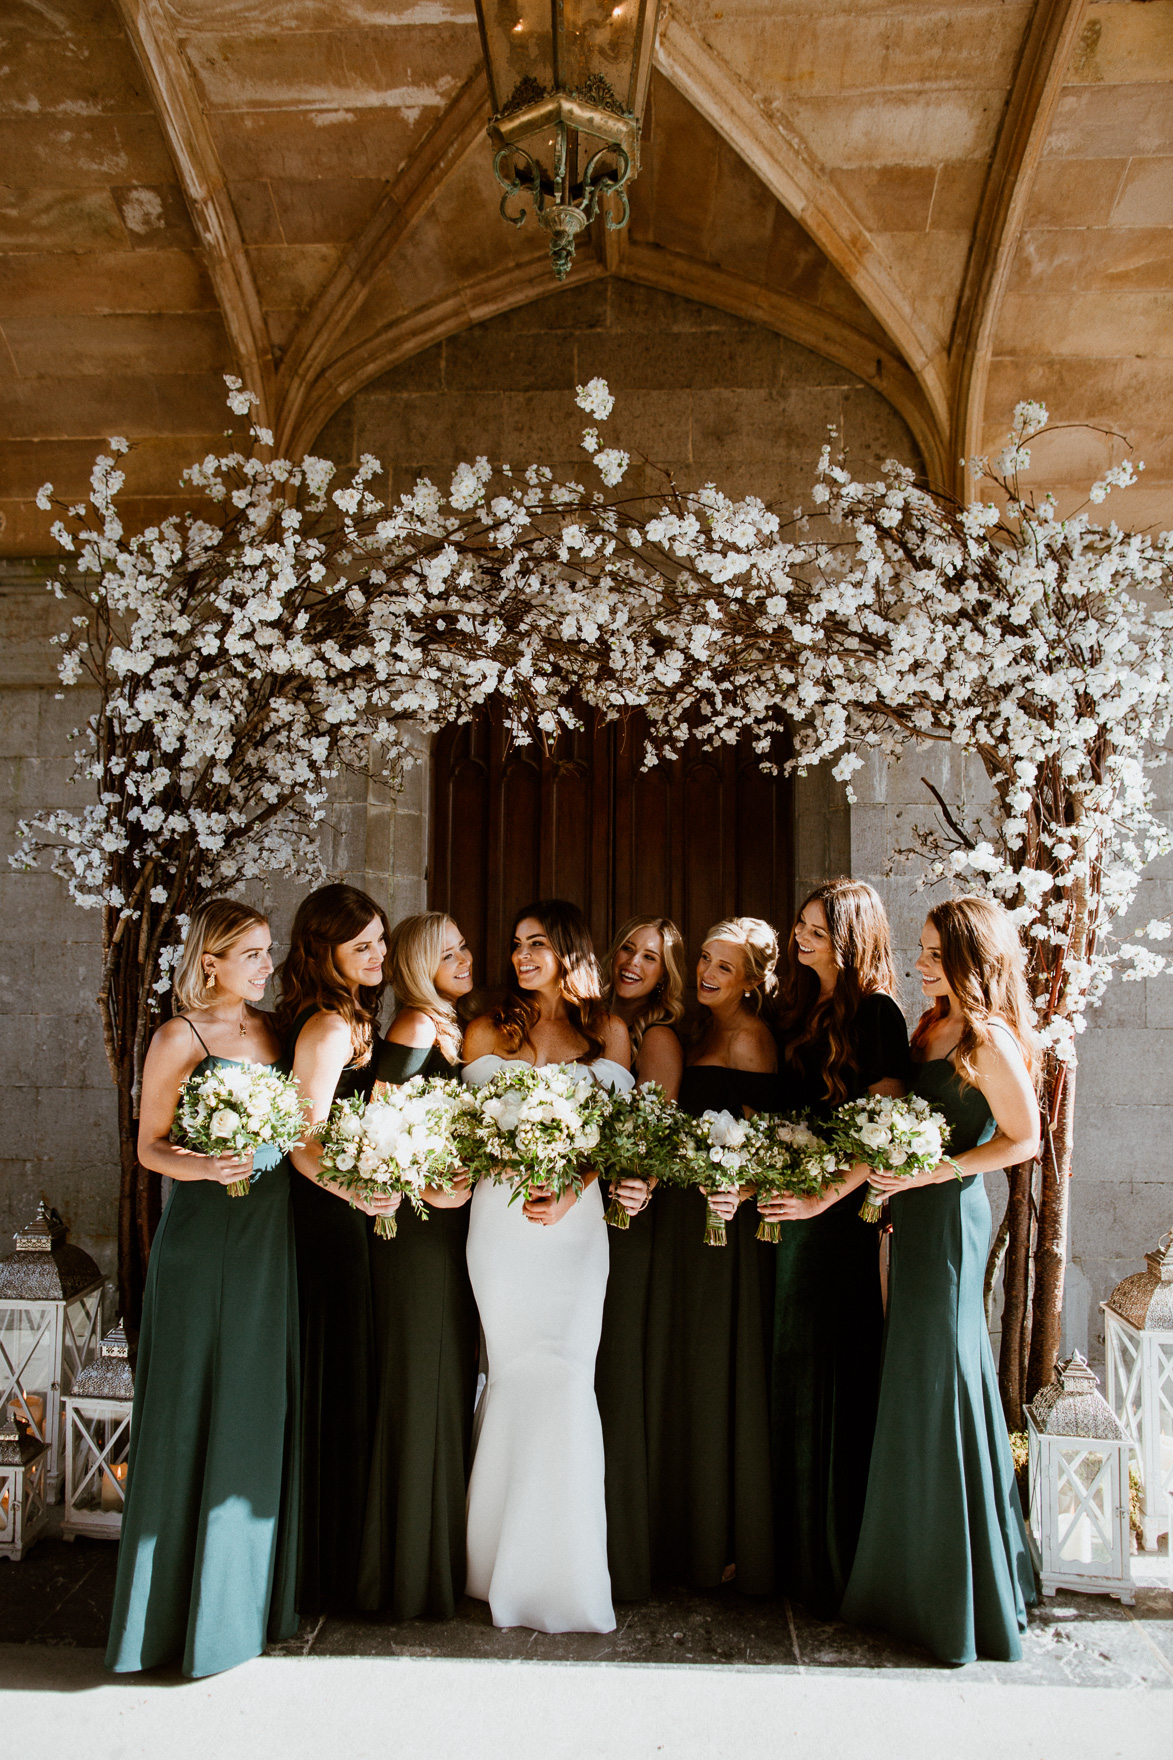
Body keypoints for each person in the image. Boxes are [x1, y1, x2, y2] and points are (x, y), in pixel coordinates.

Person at [841, 895, 1040, 1666]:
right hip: (910, 1215)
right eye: (920, 952)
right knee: (913, 1380)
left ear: (968, 958)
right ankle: (909, 1573)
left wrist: (932, 1174)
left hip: (950, 1219)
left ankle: (957, 1590)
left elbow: (1023, 1140)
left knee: (942, 1378)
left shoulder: (987, 1037)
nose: (919, 965)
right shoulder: (927, 1026)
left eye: (932, 954)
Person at [107, 899, 298, 1678]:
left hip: (267, 1240)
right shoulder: (177, 1038)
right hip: (201, 1238)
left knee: (253, 1405)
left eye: (267, 953)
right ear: (209, 960)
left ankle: (242, 1604)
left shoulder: (276, 1033)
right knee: (190, 1406)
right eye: (250, 954)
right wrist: (204, 1165)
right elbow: (151, 1147)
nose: (265, 966)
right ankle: (167, 1619)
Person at [460, 899, 632, 1633]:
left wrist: (575, 1188)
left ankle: (564, 1572)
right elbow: (460, 1129)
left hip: (576, 1227)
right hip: (500, 1224)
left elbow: (624, 1135)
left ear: (569, 951)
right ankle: (489, 1562)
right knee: (512, 1373)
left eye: (536, 944)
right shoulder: (488, 1026)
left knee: (566, 1376)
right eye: (515, 945)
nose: (521, 957)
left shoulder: (609, 1031)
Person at [759, 880, 911, 1618]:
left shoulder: (876, 1015)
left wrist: (826, 1195)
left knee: (831, 1373)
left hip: (836, 1221)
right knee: (787, 1372)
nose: (799, 936)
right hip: (786, 1212)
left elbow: (885, 1124)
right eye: (799, 925)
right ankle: (791, 1555)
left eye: (815, 928)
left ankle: (835, 1558)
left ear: (850, 937)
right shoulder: (794, 1008)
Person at [644, 916, 779, 1596]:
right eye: (703, 958)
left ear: (752, 981)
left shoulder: (751, 1040)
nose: (706, 972)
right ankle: (674, 1529)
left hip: (722, 1228)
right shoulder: (691, 1033)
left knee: (714, 1369)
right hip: (676, 1221)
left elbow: (766, 1145)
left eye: (724, 967)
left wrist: (738, 1189)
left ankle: (719, 1539)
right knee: (678, 1364)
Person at [276, 884, 398, 1617]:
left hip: (345, 1210)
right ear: (325, 953)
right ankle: (325, 1567)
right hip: (324, 1221)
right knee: (337, 1370)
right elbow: (300, 1140)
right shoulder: (326, 1026)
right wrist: (358, 1195)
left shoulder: (350, 1013)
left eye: (381, 941)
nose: (378, 955)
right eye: (362, 947)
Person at [357, 912, 479, 1621]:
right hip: (415, 1230)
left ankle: (429, 1558)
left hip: (448, 1229)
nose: (464, 957)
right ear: (414, 963)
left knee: (443, 1379)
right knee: (422, 1383)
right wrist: (425, 1185)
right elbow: (377, 1124)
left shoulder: (445, 1023)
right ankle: (404, 1575)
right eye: (448, 951)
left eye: (463, 946)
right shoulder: (413, 1027)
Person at [596, 915, 687, 1602]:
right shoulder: (594, 1018)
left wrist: (637, 1186)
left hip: (624, 1216)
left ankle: (622, 1544)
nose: (632, 962)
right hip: (573, 1211)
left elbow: (655, 1129)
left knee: (616, 1370)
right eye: (628, 948)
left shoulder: (656, 1037)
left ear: (667, 973)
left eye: (650, 958)